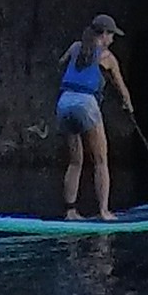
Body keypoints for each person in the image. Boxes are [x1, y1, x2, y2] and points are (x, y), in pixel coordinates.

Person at [53, 12, 133, 219]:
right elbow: (121, 88)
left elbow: (62, 64)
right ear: (104, 34)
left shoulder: (75, 47)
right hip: (86, 104)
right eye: (112, 35)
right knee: (100, 160)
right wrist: (128, 106)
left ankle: (70, 211)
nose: (113, 40)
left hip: (64, 102)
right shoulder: (107, 57)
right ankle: (104, 211)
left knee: (75, 161)